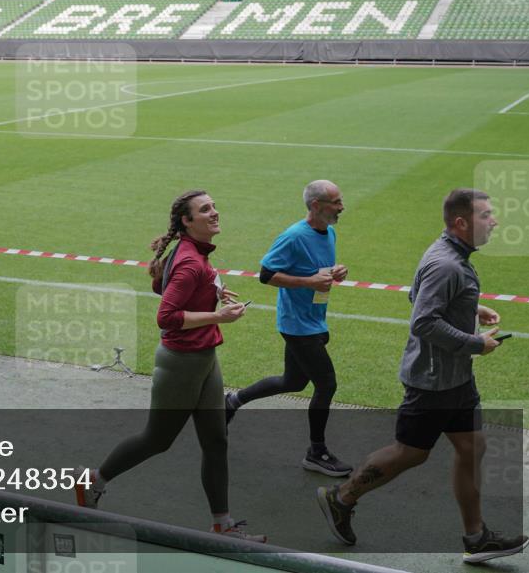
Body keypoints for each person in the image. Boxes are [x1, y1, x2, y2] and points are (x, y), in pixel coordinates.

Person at [317, 189, 529, 564]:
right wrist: (474, 343)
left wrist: (470, 306)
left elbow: (419, 294)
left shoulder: (451, 256)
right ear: (461, 222)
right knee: (409, 453)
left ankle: (476, 537)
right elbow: (423, 320)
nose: (493, 221)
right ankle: (341, 497)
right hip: (432, 383)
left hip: (456, 380)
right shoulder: (446, 263)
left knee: (472, 447)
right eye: (486, 215)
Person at [74, 190, 264, 541]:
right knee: (157, 439)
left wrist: (214, 293)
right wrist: (217, 315)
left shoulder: (194, 254)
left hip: (205, 359)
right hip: (182, 364)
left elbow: (161, 284)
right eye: (205, 210)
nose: (214, 212)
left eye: (214, 206)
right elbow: (167, 315)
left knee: (216, 440)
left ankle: (222, 523)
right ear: (187, 222)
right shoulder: (192, 261)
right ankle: (93, 482)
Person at [226, 180, 351, 476]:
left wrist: (338, 273)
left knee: (292, 382)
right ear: (316, 206)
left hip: (315, 319)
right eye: (336, 202)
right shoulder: (293, 236)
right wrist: (308, 282)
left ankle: (231, 402)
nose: (341, 206)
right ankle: (316, 452)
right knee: (326, 384)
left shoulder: (329, 232)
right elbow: (266, 274)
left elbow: (318, 273)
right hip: (297, 325)